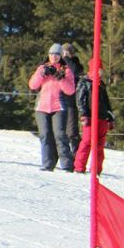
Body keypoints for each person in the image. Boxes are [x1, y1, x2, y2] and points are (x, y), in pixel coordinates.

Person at [28, 43, 76, 171]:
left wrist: (59, 77)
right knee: (45, 135)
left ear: (61, 56)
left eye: (57, 54)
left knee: (60, 135)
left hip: (58, 107)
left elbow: (70, 90)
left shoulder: (65, 70)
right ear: (48, 55)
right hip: (42, 107)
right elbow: (32, 85)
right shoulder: (42, 68)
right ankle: (47, 164)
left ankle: (67, 164)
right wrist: (42, 74)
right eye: (51, 54)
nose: (54, 57)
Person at [72, 64, 114, 175]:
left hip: (102, 117)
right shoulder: (85, 83)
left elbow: (106, 102)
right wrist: (84, 114)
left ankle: (96, 169)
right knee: (87, 141)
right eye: (97, 70)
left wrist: (110, 116)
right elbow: (80, 100)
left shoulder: (101, 85)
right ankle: (79, 167)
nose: (99, 73)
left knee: (100, 144)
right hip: (90, 117)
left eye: (101, 70)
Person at [59, 43, 84, 156]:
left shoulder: (76, 63)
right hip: (58, 99)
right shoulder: (59, 64)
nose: (64, 55)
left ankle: (75, 155)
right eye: (62, 52)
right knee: (59, 129)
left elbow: (75, 71)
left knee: (72, 130)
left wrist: (67, 59)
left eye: (66, 52)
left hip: (71, 101)